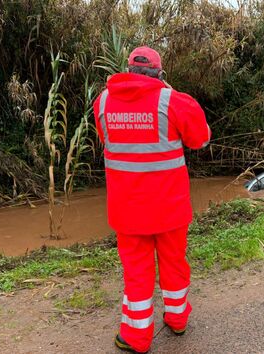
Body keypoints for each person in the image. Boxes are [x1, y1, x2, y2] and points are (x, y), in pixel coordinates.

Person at [93, 46, 211, 354]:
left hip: (127, 211)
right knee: (174, 264)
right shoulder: (174, 101)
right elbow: (200, 139)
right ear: (159, 73)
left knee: (136, 273)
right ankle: (177, 319)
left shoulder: (102, 102)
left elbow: (109, 142)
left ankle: (135, 337)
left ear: (128, 70)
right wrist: (174, 95)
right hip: (170, 209)